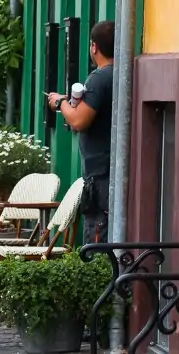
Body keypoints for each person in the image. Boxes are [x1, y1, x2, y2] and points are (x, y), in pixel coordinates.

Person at [48, 20, 115, 243]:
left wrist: (60, 103)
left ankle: (100, 277)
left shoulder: (99, 78)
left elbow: (79, 120)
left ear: (94, 47)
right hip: (114, 169)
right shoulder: (123, 74)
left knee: (97, 238)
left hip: (101, 174)